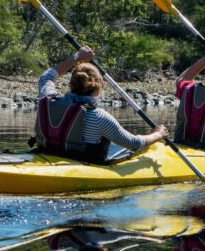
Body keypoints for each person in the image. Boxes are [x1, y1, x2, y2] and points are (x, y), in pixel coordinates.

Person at [36, 46, 166, 163]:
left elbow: (46, 77)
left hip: (46, 155)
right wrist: (158, 134)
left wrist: (76, 58)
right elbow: (134, 144)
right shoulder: (98, 117)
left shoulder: (48, 99)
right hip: (80, 166)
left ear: (70, 85)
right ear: (99, 89)